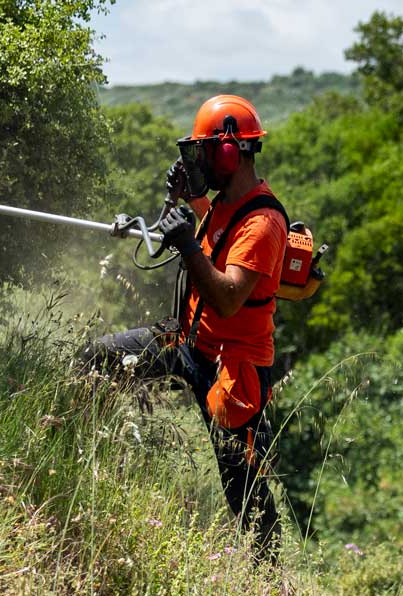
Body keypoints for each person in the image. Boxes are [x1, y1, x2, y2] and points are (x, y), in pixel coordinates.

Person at [80, 94, 287, 556]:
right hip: (190, 342)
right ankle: (78, 463)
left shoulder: (263, 222)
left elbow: (230, 297)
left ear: (231, 152)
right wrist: (179, 200)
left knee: (245, 494)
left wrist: (188, 246)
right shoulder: (221, 203)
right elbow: (196, 230)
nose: (197, 163)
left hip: (234, 369)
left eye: (203, 153)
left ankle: (273, 590)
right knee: (95, 358)